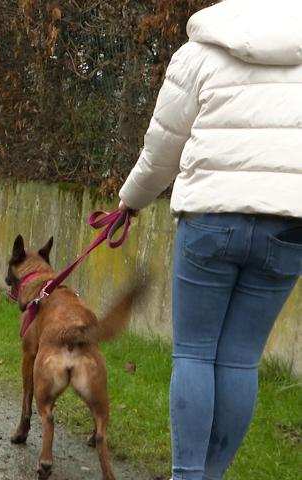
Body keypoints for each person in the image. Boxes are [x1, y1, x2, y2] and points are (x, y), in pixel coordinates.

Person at [117, 1, 302, 479]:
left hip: (211, 218)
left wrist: (131, 200)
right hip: (288, 223)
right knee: (241, 360)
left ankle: (187, 476)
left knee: (194, 353)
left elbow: (162, 146)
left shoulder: (200, 50)